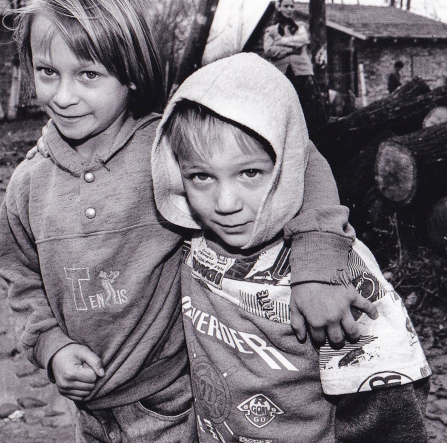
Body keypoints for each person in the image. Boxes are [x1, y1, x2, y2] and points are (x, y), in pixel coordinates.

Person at [0, 0, 373, 443]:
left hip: (178, 399)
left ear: (132, 71)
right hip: (89, 414)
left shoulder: (168, 148)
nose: (64, 95)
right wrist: (51, 347)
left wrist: (316, 268)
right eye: (47, 72)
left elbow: (302, 157)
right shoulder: (27, 184)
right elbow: (21, 278)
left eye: (88, 74)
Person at [152, 53, 432, 443]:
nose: (225, 203)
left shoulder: (339, 276)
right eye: (201, 176)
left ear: (286, 166)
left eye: (250, 173)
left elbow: (389, 409)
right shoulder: (192, 242)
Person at [263, 0, 328, 139]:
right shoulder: (271, 30)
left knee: (309, 105)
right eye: (286, 6)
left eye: (291, 6)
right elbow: (269, 50)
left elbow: (303, 39)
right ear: (279, 8)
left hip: (303, 71)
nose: (289, 9)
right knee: (285, 105)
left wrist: (280, 41)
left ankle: (314, 137)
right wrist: (291, 49)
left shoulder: (300, 27)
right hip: (283, 71)